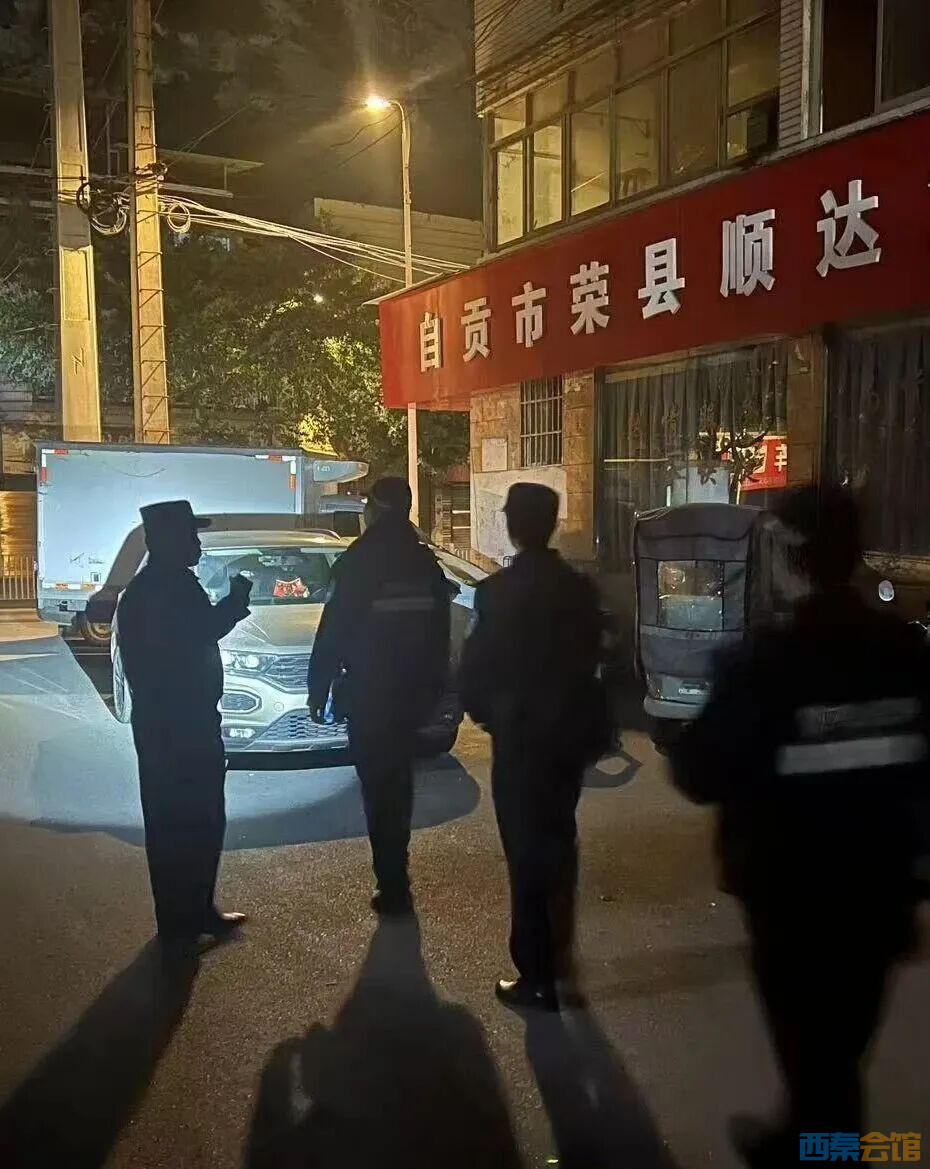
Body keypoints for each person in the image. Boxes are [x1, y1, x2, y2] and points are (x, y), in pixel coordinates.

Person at [669, 485, 930, 1164]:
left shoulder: (766, 661)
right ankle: (810, 1140)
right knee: (837, 1056)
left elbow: (698, 772)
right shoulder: (906, 652)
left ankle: (823, 1150)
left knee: (818, 1061)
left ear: (787, 555)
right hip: (880, 895)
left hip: (794, 905)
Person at [460, 483, 607, 1011]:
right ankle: (558, 955)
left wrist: (489, 714)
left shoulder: (497, 593)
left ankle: (536, 972)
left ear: (514, 525)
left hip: (520, 741)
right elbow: (593, 661)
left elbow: (474, 668)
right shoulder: (579, 589)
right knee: (559, 840)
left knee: (524, 853)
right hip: (566, 740)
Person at [308, 477, 451, 916]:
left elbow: (334, 629)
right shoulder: (423, 562)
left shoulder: (360, 560)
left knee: (378, 786)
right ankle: (396, 875)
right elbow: (440, 632)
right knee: (399, 783)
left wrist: (318, 686)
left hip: (371, 694)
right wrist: (436, 688)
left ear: (376, 509)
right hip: (412, 695)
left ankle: (391, 881)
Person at [117, 500, 253, 944]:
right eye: (190, 536)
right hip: (180, 727)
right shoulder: (163, 590)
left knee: (189, 822)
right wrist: (236, 601)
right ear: (167, 540)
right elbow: (198, 633)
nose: (197, 544)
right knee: (188, 821)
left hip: (172, 725)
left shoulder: (159, 587)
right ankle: (183, 921)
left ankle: (192, 913)